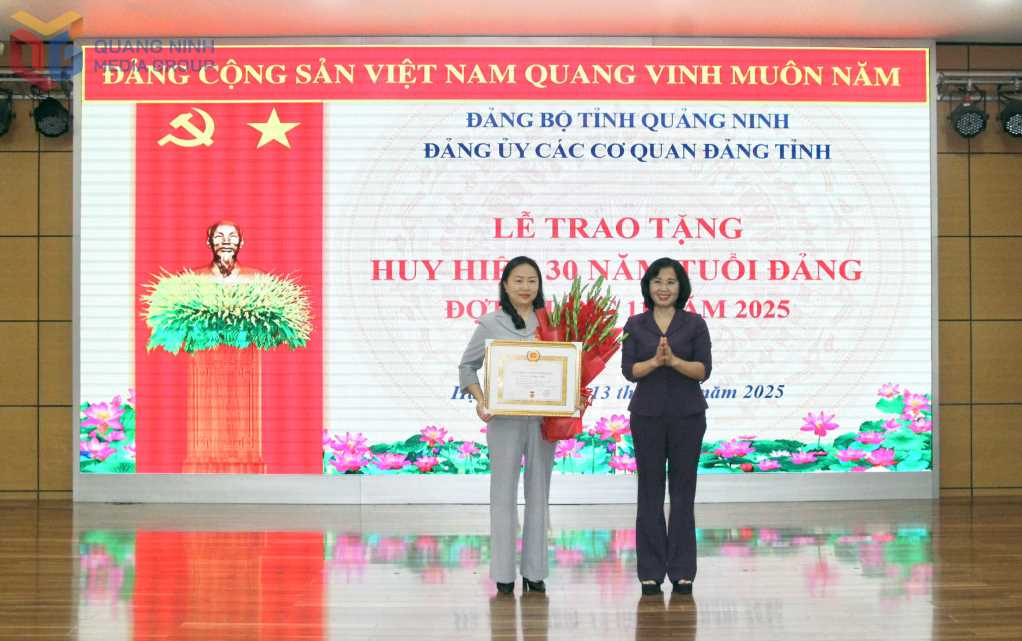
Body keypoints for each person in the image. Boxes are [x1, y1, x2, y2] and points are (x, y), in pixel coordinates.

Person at [459, 256, 554, 595]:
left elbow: (569, 365)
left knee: (539, 494)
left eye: (532, 280)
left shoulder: (552, 322)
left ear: (539, 285)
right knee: (502, 495)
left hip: (544, 420)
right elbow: (467, 367)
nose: (526, 287)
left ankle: (535, 572)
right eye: (518, 280)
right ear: (505, 285)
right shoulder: (490, 323)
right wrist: (481, 400)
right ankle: (502, 574)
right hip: (503, 421)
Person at [620, 257, 712, 596]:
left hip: (688, 415)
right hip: (647, 416)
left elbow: (703, 370)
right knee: (650, 492)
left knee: (683, 493)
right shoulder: (635, 324)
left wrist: (673, 361)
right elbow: (630, 371)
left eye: (671, 282)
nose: (663, 288)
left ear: (680, 287)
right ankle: (650, 572)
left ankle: (683, 571)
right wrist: (655, 362)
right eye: (657, 281)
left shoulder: (695, 324)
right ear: (648, 286)